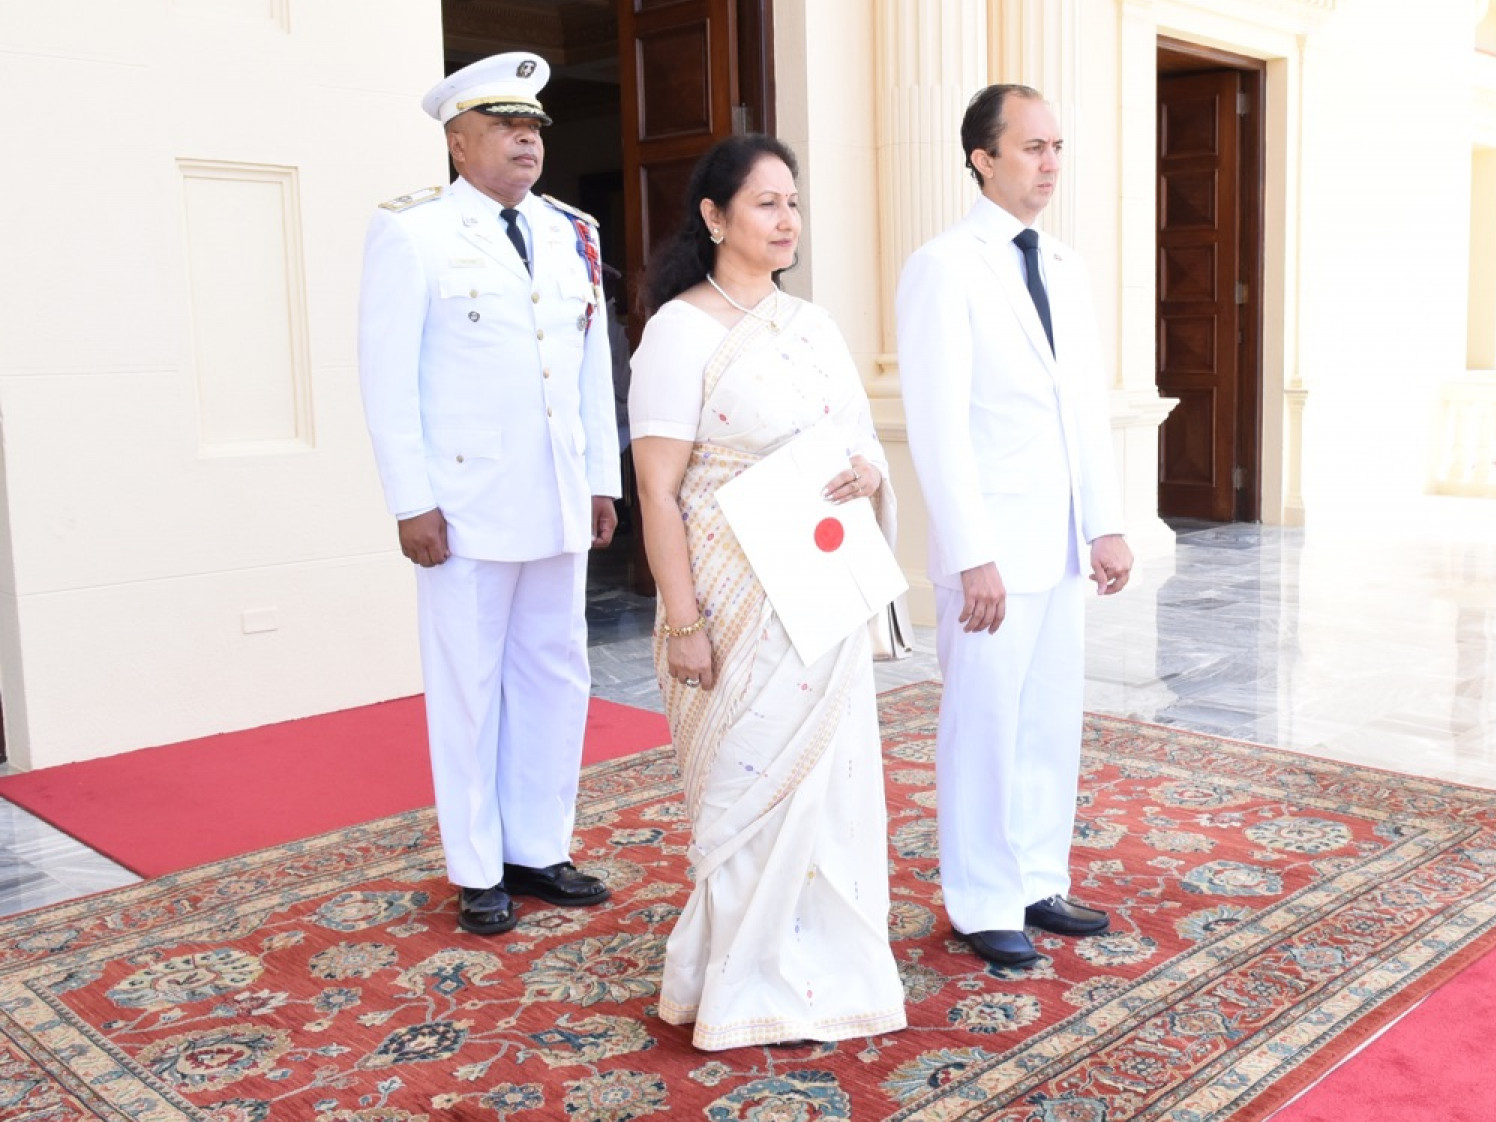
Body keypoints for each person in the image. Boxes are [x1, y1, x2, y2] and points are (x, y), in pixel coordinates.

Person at [631, 134, 907, 1050]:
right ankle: (742, 982)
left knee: (831, 787)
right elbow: (658, 491)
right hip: (734, 599)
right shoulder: (679, 331)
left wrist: (868, 475)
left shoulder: (814, 325)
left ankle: (835, 968)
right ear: (714, 217)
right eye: (765, 202)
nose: (787, 220)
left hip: (820, 593)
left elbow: (860, 443)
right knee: (747, 789)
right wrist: (684, 623)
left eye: (793, 202)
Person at [358, 51, 620, 936]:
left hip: (556, 498)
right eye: (505, 126)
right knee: (469, 686)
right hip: (464, 507)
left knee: (556, 674)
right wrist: (411, 501)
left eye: (534, 126)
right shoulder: (414, 234)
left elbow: (588, 366)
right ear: (458, 143)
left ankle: (538, 847)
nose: (526, 139)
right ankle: (477, 868)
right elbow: (387, 380)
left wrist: (600, 479)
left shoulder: (572, 231)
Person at [895, 84, 1135, 969]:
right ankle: (982, 900)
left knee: (1046, 724)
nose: (1050, 163)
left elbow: (1084, 407)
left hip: (1060, 544)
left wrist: (1105, 524)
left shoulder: (1065, 265)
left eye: (1057, 146)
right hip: (991, 551)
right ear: (982, 158)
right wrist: (973, 554)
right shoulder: (944, 266)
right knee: (984, 728)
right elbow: (938, 425)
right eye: (1033, 147)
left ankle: (1036, 878)